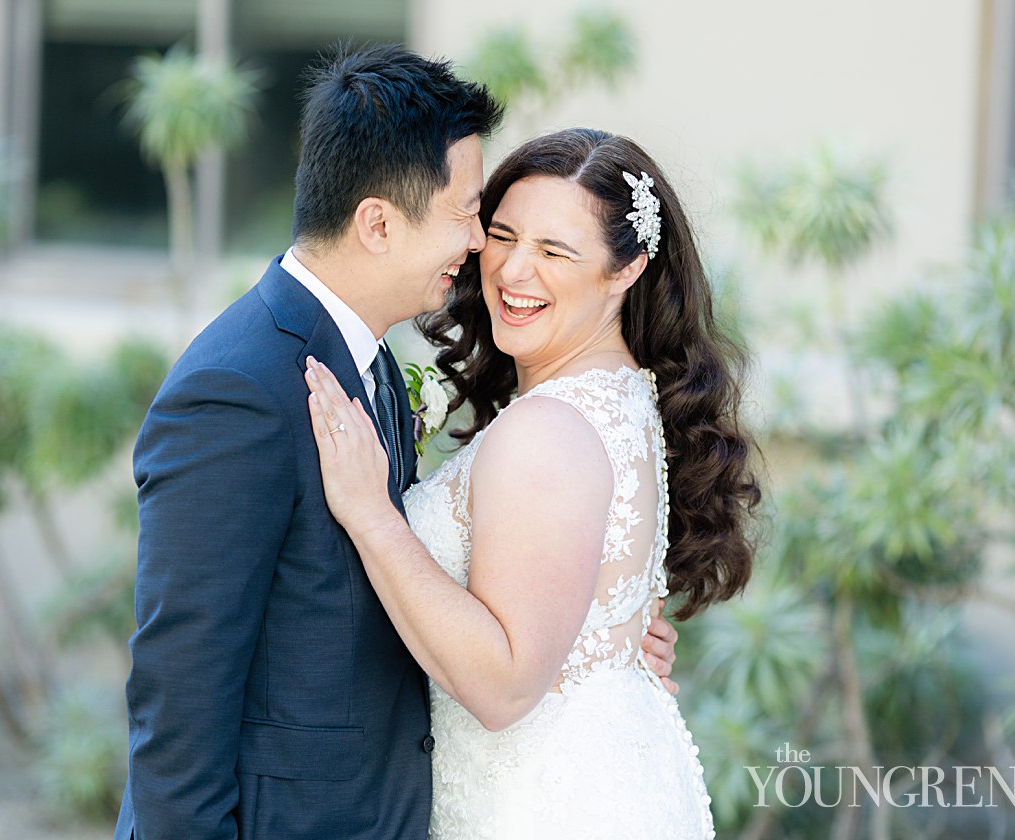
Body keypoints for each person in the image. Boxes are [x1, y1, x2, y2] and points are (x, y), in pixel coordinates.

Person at [116, 49, 680, 839]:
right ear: (377, 222)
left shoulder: (372, 361)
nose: (481, 241)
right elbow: (181, 687)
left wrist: (596, 653)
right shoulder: (239, 389)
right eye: (469, 214)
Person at [303, 127, 761, 838]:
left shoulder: (547, 430)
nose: (514, 273)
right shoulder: (626, 396)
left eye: (555, 251)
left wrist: (371, 515)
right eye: (504, 236)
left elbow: (505, 683)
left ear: (627, 268)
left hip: (540, 808)